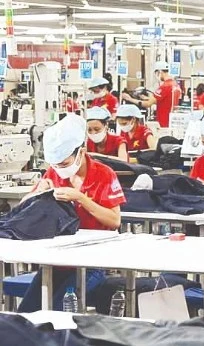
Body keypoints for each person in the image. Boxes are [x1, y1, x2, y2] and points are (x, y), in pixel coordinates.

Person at [19, 114, 125, 312]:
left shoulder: (104, 174)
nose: (60, 169)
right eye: (55, 165)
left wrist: (81, 198)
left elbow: (114, 220)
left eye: (64, 164)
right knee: (26, 313)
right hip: (56, 260)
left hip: (91, 262)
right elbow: (21, 208)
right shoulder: (53, 172)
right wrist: (37, 193)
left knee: (58, 311)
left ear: (81, 152)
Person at [122, 61, 182, 128]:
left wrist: (129, 99)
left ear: (159, 72)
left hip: (163, 122)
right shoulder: (176, 85)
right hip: (172, 122)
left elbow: (148, 104)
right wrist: (145, 98)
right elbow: (164, 101)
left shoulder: (164, 86)